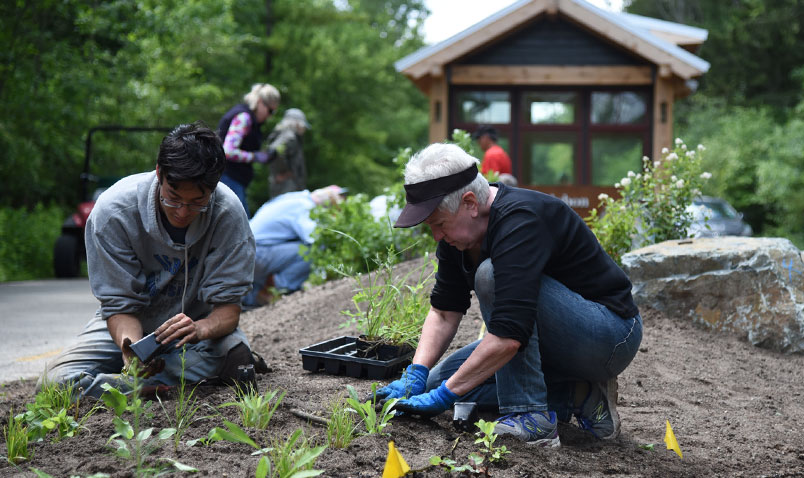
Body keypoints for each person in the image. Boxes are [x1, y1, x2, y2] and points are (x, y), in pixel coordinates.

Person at [377, 143, 642, 447]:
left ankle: (530, 416)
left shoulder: (521, 220)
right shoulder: (456, 240)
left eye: (439, 224)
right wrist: (417, 373)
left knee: (490, 276)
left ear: (470, 203)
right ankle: (579, 396)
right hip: (546, 338)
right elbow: (443, 311)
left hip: (609, 336)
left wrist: (444, 396)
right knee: (437, 382)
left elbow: (509, 336)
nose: (437, 236)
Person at [39, 122, 257, 399]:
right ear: (159, 173)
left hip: (195, 328)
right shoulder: (113, 212)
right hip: (128, 323)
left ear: (213, 189)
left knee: (233, 352)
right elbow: (119, 305)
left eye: (196, 203)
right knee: (54, 383)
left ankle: (141, 385)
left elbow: (228, 309)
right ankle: (163, 384)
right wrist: (130, 349)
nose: (182, 212)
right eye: (173, 198)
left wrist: (200, 328)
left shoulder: (229, 214)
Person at [243, 185, 346, 307]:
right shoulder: (305, 207)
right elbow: (315, 239)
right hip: (255, 253)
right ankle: (275, 291)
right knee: (310, 252)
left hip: (244, 250)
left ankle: (252, 299)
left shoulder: (293, 198)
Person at [218, 83, 281, 216]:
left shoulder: (250, 120)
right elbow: (228, 151)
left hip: (232, 179)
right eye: (270, 111)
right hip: (228, 178)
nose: (270, 116)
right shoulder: (244, 117)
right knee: (241, 225)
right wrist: (255, 156)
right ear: (260, 102)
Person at [266, 108, 310, 199]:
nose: (304, 129)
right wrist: (283, 172)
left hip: (284, 186)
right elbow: (276, 151)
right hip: (287, 186)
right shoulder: (290, 137)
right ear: (297, 123)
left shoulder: (287, 135)